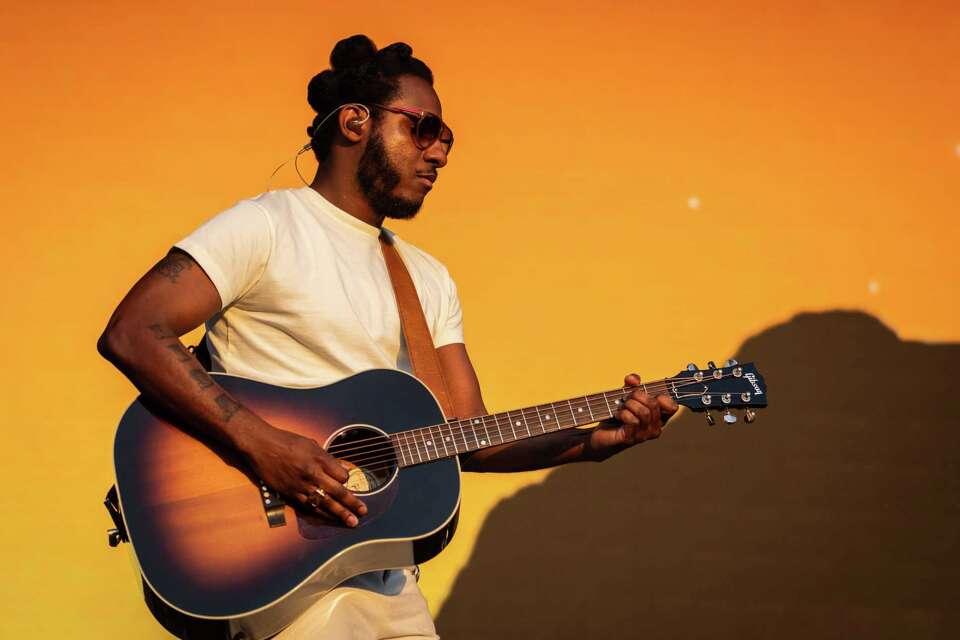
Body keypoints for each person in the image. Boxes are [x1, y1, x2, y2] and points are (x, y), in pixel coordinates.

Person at [98, 34, 678, 640]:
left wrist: (593, 442)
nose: (440, 154)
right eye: (423, 129)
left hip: (388, 577)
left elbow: (470, 436)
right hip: (285, 575)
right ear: (355, 122)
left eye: (447, 138)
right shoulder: (267, 226)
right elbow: (133, 330)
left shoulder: (426, 279)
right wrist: (263, 443)